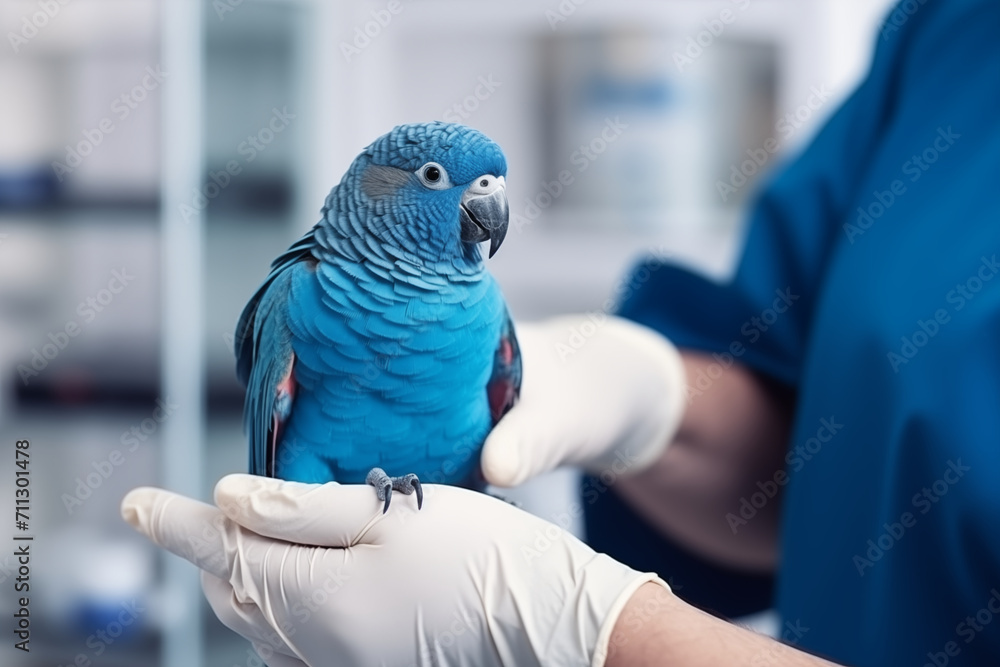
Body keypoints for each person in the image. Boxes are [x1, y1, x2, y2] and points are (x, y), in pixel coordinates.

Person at [122, 0, 1000, 664]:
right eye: (437, 177)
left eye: (490, 183)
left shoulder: (481, 313)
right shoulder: (947, 30)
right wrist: (658, 401)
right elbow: (804, 416)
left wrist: (597, 628)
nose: (485, 199)